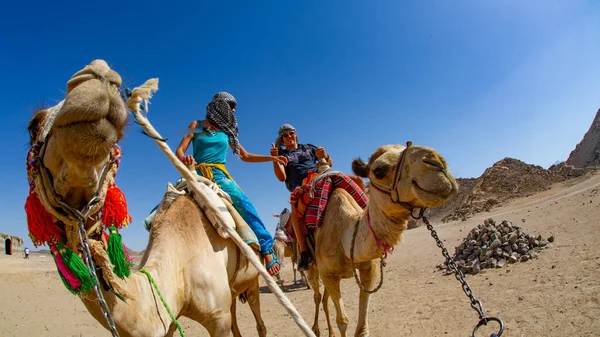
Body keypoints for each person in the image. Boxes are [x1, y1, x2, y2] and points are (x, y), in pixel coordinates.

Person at [176, 92, 287, 275]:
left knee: (244, 203)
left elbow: (245, 156)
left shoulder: (227, 132)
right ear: (220, 104)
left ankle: (266, 249)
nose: (234, 110)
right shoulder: (195, 125)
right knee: (169, 204)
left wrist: (272, 158)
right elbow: (179, 150)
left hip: (219, 176)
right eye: (231, 105)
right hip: (195, 173)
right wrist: (185, 159)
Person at [270, 124, 332, 271]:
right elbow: (281, 177)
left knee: (351, 182)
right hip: (300, 187)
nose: (289, 137)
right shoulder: (283, 156)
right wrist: (274, 159)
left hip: (319, 178)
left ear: (296, 134)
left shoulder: (308, 147)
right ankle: (304, 252)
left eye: (291, 133)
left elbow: (328, 163)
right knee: (295, 209)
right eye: (285, 135)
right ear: (282, 139)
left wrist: (325, 156)